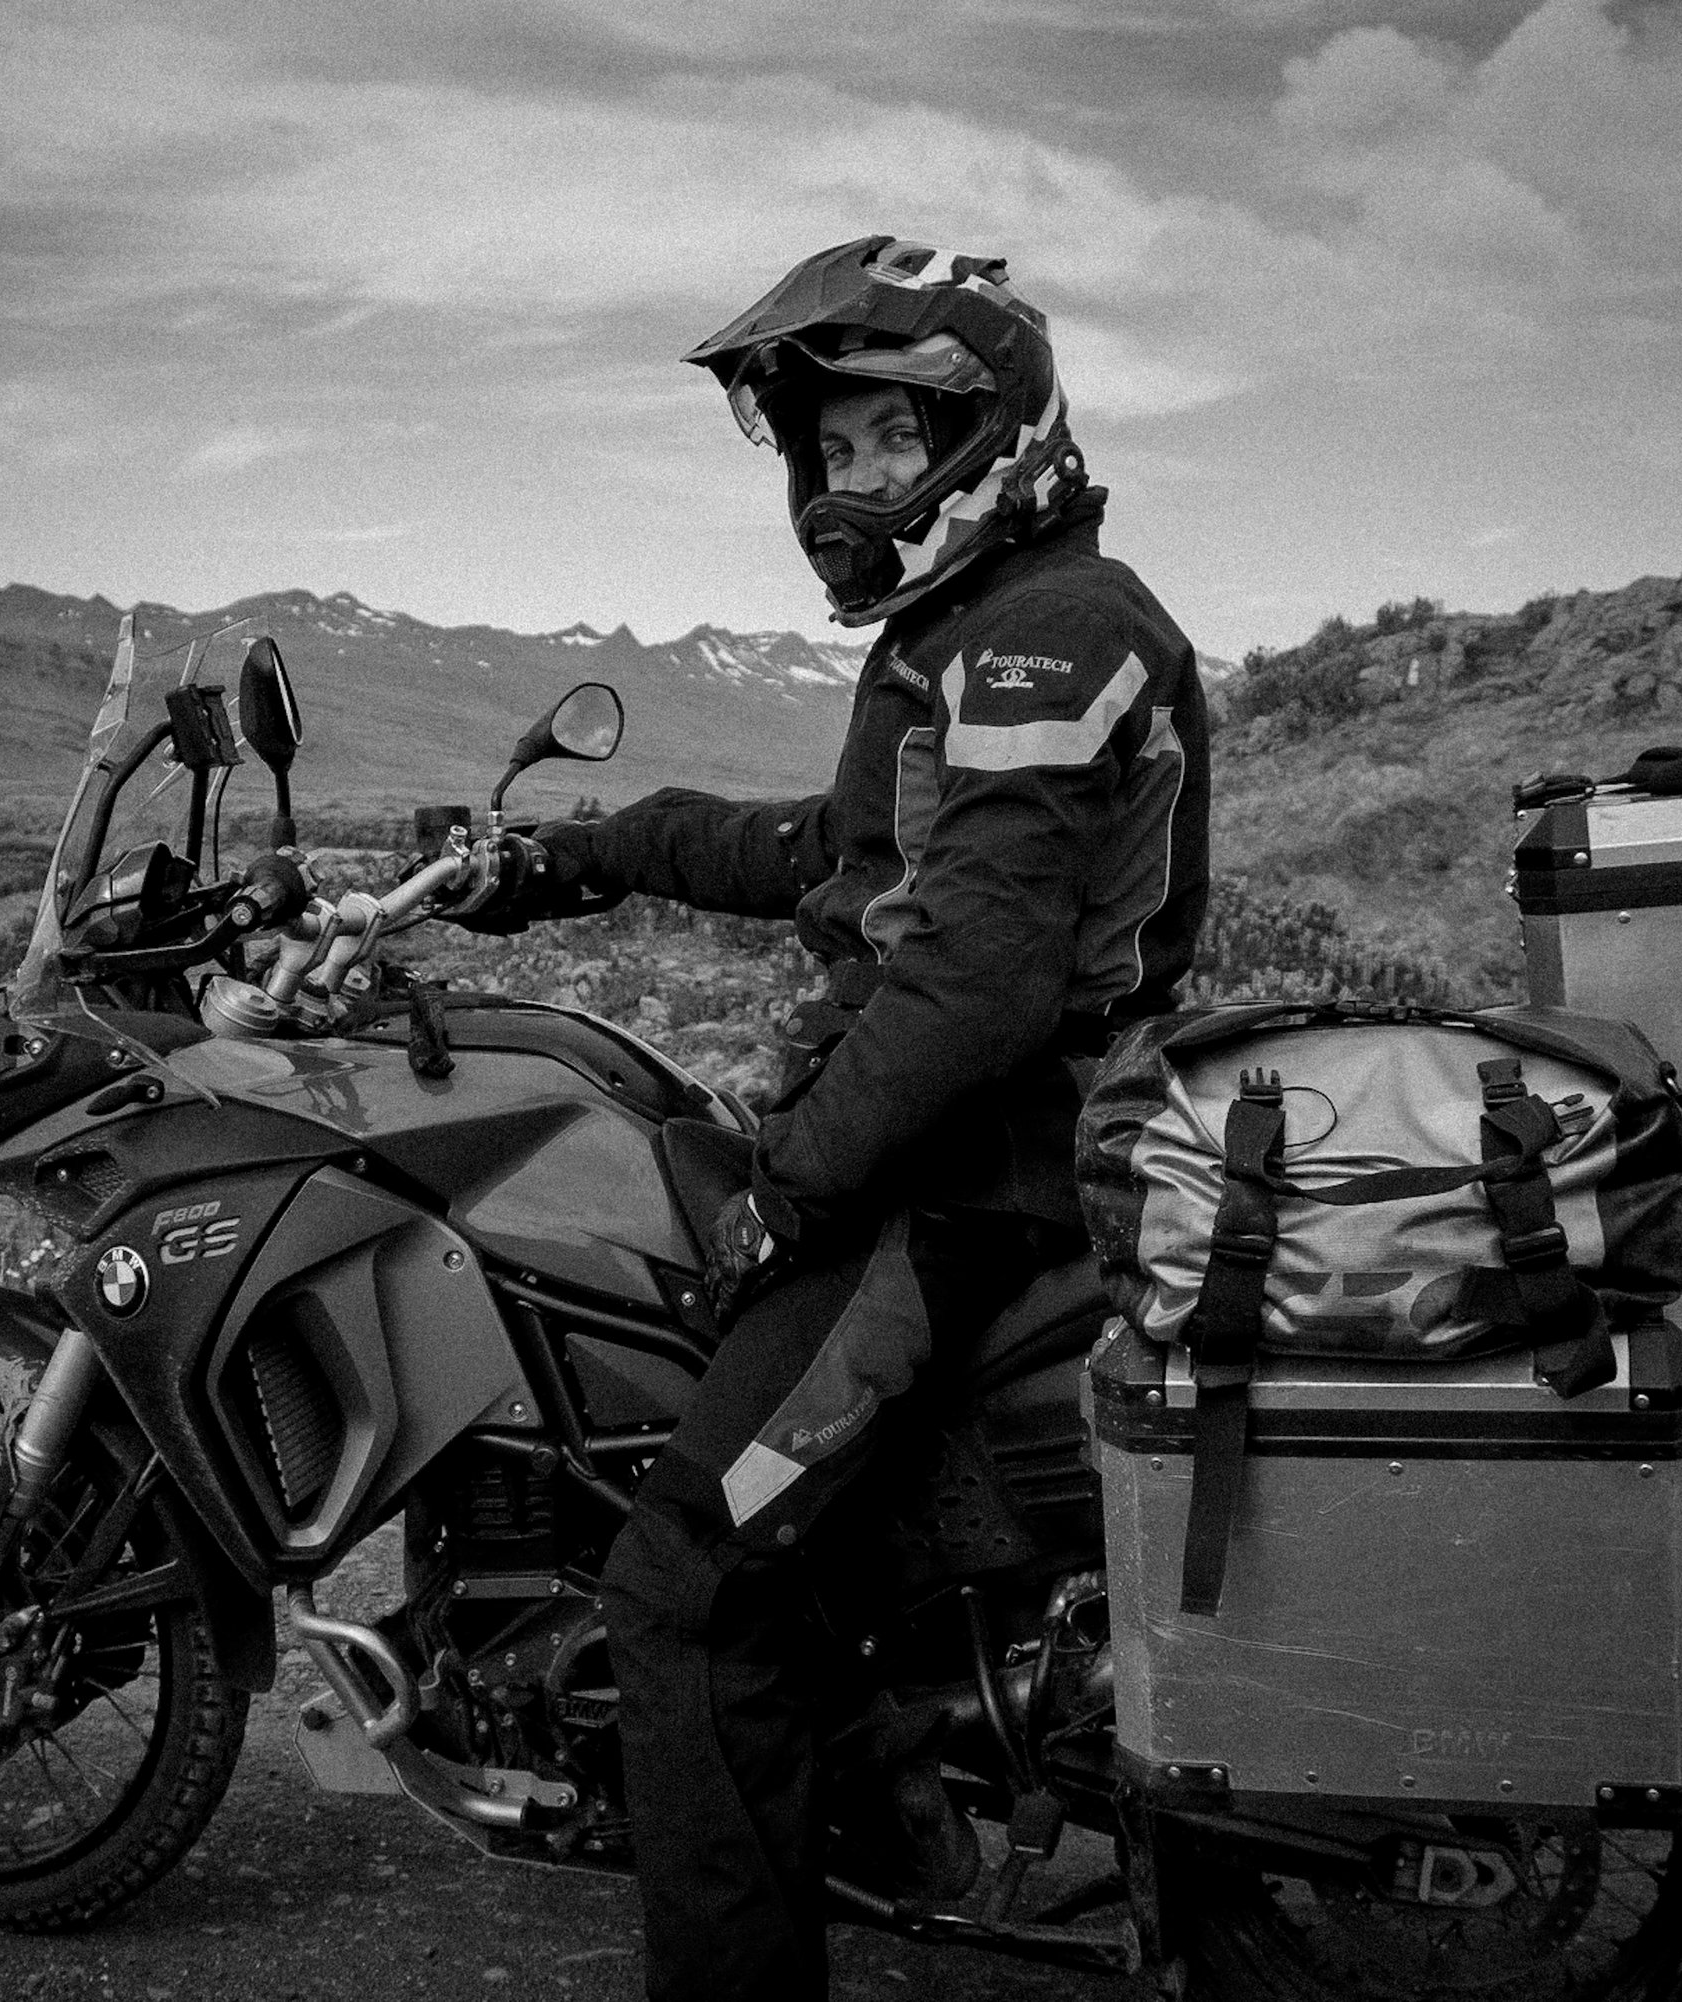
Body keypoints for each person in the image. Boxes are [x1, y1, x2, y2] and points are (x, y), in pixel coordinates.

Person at [470, 235, 1210, 2001]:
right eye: (831, 446)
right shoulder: (973, 633)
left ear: (990, 434)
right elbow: (833, 855)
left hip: (960, 1185)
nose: (852, 480)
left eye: (891, 438)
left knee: (684, 1592)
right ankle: (881, 1772)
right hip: (944, 1157)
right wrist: (578, 859)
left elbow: (972, 990)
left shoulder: (1049, 639)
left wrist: (790, 1192)